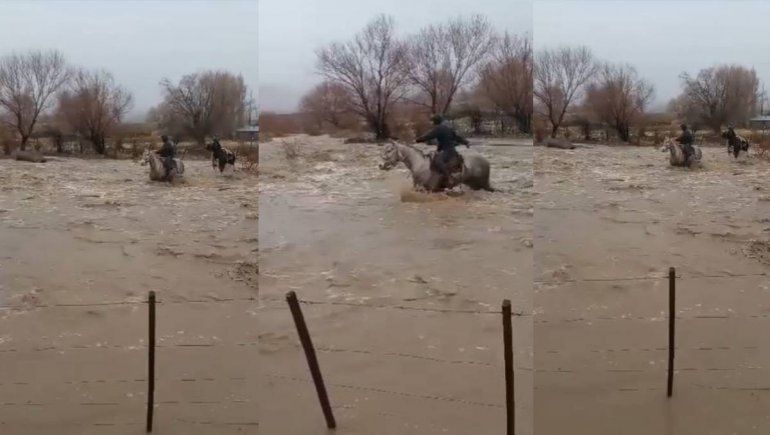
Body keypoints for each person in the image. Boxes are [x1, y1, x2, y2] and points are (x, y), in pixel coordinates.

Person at [415, 114, 469, 183]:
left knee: (438, 161)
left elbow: (428, 136)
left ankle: (449, 177)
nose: (430, 122)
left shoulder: (438, 129)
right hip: (450, 150)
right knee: (433, 156)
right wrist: (466, 142)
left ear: (435, 121)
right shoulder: (447, 128)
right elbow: (457, 137)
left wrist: (417, 140)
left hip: (448, 151)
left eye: (431, 121)